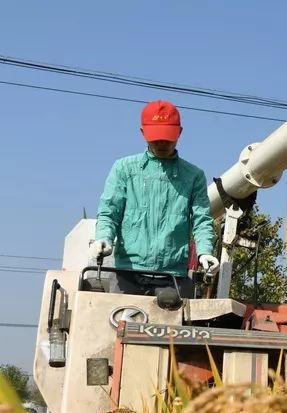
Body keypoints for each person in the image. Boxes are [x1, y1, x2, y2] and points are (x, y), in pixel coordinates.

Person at [89, 99, 218, 298]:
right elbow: (109, 211)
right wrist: (103, 237)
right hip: (127, 274)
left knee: (172, 330)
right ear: (143, 133)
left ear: (179, 133)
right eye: (156, 138)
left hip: (173, 278)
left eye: (167, 138)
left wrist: (205, 251)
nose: (161, 143)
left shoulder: (193, 176)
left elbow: (202, 220)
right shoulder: (124, 169)